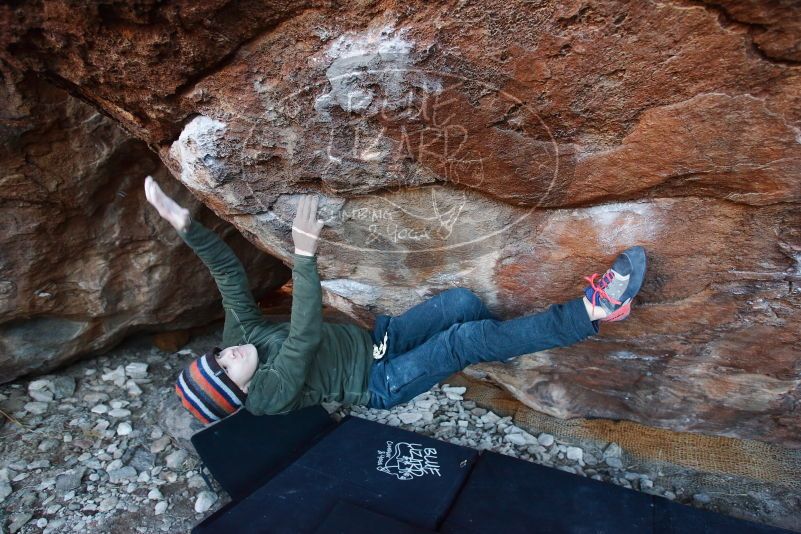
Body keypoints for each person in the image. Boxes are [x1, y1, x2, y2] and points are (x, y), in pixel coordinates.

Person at [144, 176, 647, 424]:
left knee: (461, 303)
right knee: (464, 339)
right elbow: (302, 336)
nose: (226, 355)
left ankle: (509, 342)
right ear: (241, 391)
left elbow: (229, 277)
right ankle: (593, 311)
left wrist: (185, 226)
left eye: (215, 357)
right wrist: (303, 255)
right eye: (225, 370)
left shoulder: (241, 341)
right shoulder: (267, 397)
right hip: (380, 381)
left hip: (379, 344)